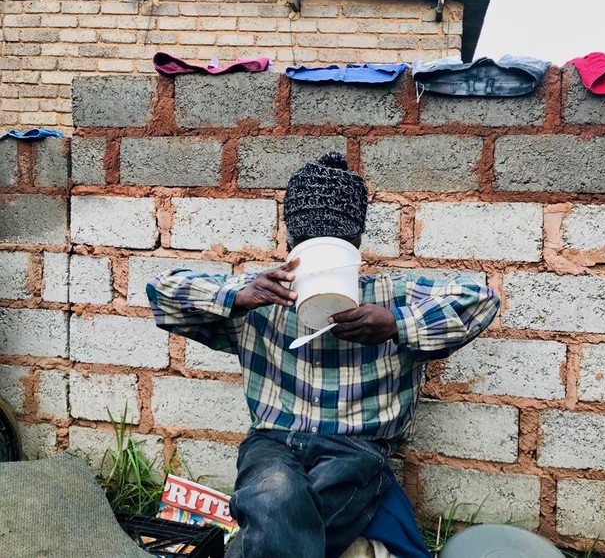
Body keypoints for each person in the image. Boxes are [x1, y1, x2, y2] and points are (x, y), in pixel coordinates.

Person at [146, 152, 500, 558]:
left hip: (357, 447)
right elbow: (163, 291)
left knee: (288, 513)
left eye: (337, 251)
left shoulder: (390, 296)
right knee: (274, 493)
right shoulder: (262, 296)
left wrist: (396, 324)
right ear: (290, 246)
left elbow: (481, 300)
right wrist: (238, 296)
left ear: (356, 247)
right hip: (273, 442)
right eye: (312, 251)